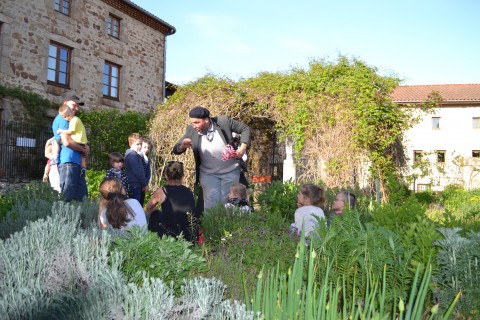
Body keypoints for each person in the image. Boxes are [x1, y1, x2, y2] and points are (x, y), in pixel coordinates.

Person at [172, 106, 251, 213]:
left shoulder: (223, 122)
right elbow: (176, 149)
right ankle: (210, 229)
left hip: (230, 172)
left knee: (229, 206)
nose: (194, 126)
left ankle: (229, 229)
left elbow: (245, 128)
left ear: (206, 120)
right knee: (210, 207)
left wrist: (242, 148)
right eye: (192, 123)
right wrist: (182, 146)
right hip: (209, 174)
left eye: (196, 122)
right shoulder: (191, 130)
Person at [146, 161, 197, 242]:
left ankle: (153, 241)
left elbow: (148, 207)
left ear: (166, 176)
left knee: (154, 214)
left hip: (171, 235)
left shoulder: (162, 191)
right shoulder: (189, 191)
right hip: (190, 236)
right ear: (182, 176)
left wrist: (157, 210)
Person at [52, 95, 89, 201]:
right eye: (74, 105)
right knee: (68, 198)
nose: (76, 108)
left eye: (77, 106)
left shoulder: (72, 120)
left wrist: (86, 147)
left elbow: (79, 138)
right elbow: (66, 142)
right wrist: (83, 149)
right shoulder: (63, 119)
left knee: (82, 199)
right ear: (65, 103)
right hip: (68, 162)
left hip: (75, 163)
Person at [55, 103, 88, 173]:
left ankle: (56, 156)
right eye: (64, 117)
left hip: (78, 140)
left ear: (69, 115)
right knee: (82, 157)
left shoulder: (74, 120)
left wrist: (61, 130)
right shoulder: (76, 119)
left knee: (56, 141)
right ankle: (83, 167)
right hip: (82, 141)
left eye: (65, 116)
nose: (65, 118)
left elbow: (70, 132)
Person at [125, 133, 148, 206]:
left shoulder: (135, 154)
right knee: (135, 207)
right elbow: (138, 172)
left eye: (140, 144)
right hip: (134, 186)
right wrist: (144, 184)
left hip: (137, 185)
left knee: (137, 206)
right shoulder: (132, 155)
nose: (140, 146)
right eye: (137, 144)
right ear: (130, 144)